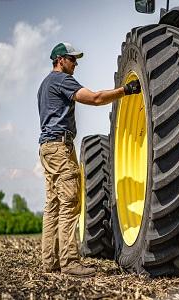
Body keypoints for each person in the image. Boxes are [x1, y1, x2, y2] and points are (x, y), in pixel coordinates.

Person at [38, 42, 141, 277]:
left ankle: (50, 261)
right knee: (70, 203)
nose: (76, 64)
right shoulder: (62, 80)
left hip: (46, 147)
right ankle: (70, 263)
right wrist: (126, 90)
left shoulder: (44, 85)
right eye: (73, 59)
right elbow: (94, 98)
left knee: (53, 204)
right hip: (59, 147)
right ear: (60, 60)